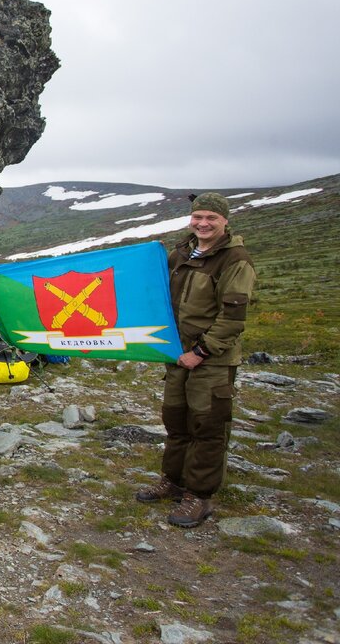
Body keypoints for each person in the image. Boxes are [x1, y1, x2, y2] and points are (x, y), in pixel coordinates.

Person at [135, 192, 256, 528]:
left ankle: (199, 496)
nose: (203, 224)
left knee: (207, 425)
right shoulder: (181, 253)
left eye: (211, 219)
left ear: (225, 221)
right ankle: (172, 481)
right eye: (198, 217)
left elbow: (232, 319)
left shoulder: (235, 260)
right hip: (177, 353)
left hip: (211, 359)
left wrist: (200, 352)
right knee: (175, 419)